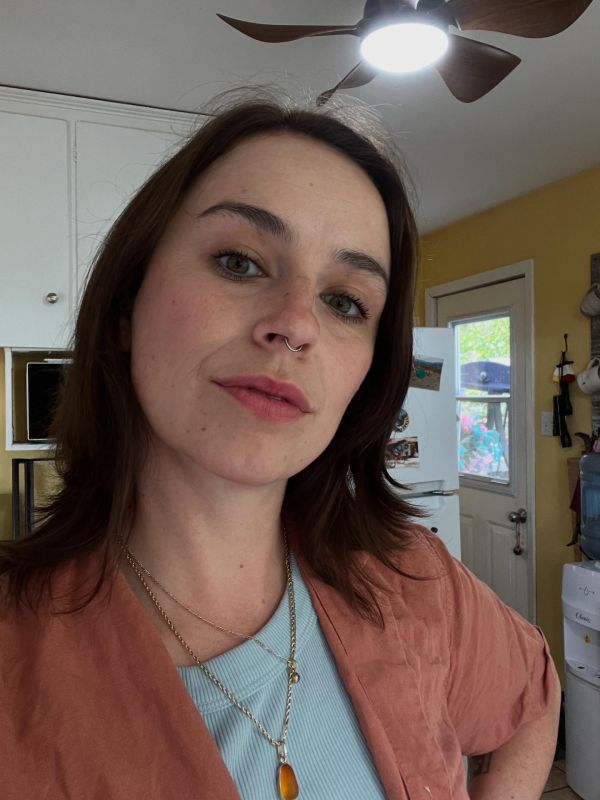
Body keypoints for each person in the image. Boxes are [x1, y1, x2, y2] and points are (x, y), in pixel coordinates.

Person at [0, 91, 560, 800]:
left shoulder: (414, 580)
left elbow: (531, 702)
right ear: (124, 308)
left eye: (346, 301)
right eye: (239, 261)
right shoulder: (17, 670)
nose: (297, 324)